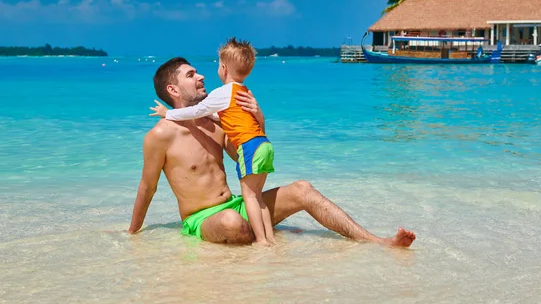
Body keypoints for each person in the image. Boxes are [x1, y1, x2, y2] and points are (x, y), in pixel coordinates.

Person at [128, 56, 416, 248]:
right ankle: (267, 234)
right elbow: (147, 187)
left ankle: (376, 241)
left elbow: (247, 156)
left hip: (238, 204)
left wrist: (258, 116)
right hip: (203, 219)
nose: (201, 76)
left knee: (302, 189)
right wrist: (132, 234)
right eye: (191, 75)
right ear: (173, 89)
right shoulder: (160, 135)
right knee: (231, 222)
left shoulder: (215, 122)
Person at [149, 38, 275, 245]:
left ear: (224, 68)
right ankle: (270, 239)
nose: (203, 76)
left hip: (250, 148)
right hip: (264, 144)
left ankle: (261, 240)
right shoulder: (243, 91)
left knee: (251, 197)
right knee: (257, 198)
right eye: (191, 74)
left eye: (218, 65)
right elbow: (223, 117)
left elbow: (199, 110)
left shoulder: (221, 93)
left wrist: (168, 113)